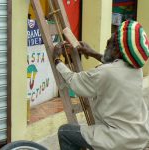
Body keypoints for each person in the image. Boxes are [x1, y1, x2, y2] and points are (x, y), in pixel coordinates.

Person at [53, 20, 149, 150]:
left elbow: (74, 81)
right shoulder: (136, 70)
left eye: (111, 43)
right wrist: (91, 52)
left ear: (118, 51)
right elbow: (114, 64)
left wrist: (57, 60)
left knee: (65, 133)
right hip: (141, 135)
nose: (107, 42)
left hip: (120, 139)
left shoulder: (106, 73)